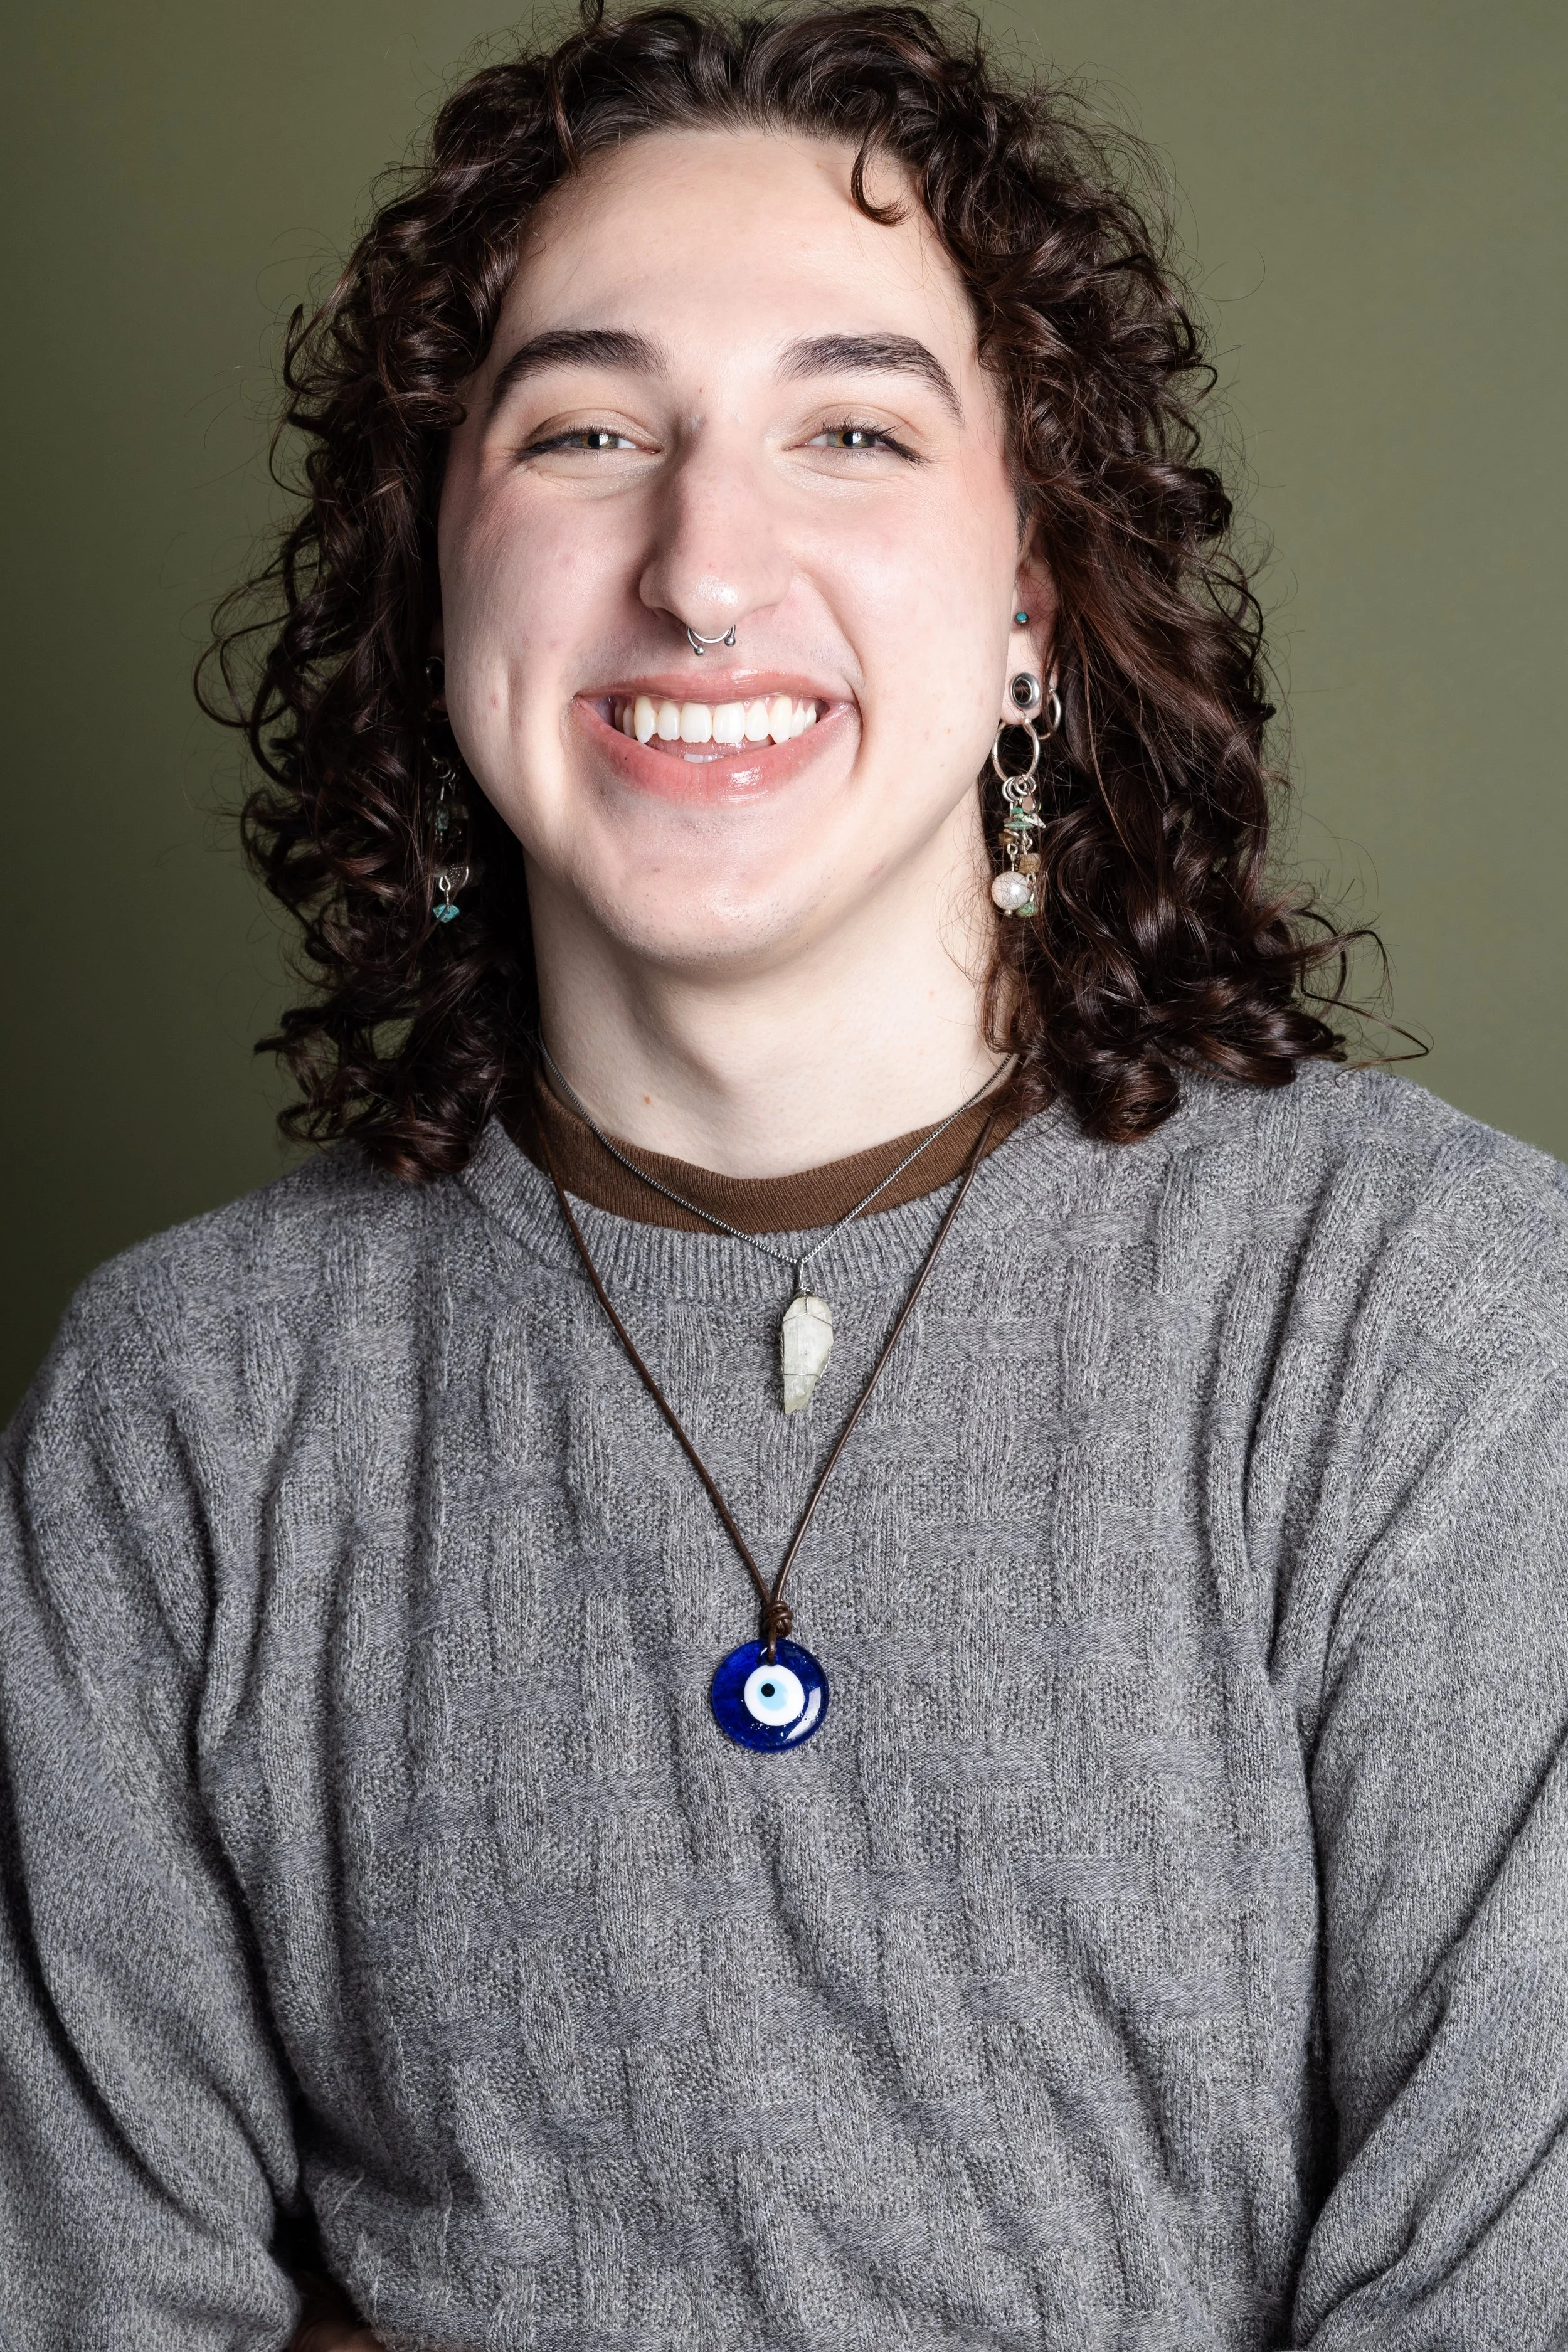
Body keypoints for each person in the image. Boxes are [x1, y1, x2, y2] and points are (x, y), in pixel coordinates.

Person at [3, 4, 1565, 2345]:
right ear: (439, 580)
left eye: (849, 430)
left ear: (1033, 594)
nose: (702, 568)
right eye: (588, 429)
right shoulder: (186, 1407)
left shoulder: (1425, 1318)